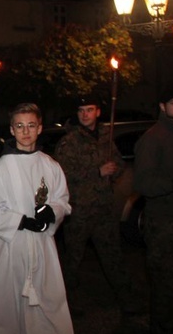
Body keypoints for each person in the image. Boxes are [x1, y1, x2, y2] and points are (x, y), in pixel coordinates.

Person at [0, 102, 76, 334]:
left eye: (31, 125)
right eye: (19, 126)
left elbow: (62, 200)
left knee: (49, 299)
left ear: (40, 128)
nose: (25, 131)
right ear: (11, 130)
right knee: (8, 300)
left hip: (43, 246)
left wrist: (53, 213)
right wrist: (21, 221)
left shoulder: (50, 165)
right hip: (12, 247)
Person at [54, 95, 140, 317]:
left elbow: (119, 163)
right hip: (79, 211)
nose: (85, 114)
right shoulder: (70, 141)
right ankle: (63, 306)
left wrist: (114, 170)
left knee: (113, 257)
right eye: (81, 110)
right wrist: (96, 172)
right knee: (72, 261)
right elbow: (61, 175)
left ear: (98, 112)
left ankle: (128, 300)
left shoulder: (106, 136)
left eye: (89, 110)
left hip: (103, 209)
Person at [133, 87, 173, 334]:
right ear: (162, 106)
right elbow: (144, 183)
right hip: (164, 224)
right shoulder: (153, 139)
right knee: (165, 285)